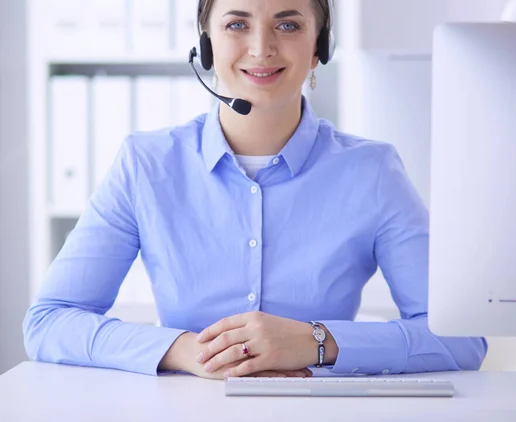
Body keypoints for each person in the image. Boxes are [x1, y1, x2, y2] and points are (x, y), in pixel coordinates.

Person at [23, 0, 487, 380]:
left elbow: (461, 337)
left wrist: (317, 342)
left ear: (320, 46)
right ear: (206, 44)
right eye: (236, 24)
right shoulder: (146, 165)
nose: (261, 48)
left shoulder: (372, 171)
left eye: (287, 24)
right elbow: (49, 322)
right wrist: (183, 350)